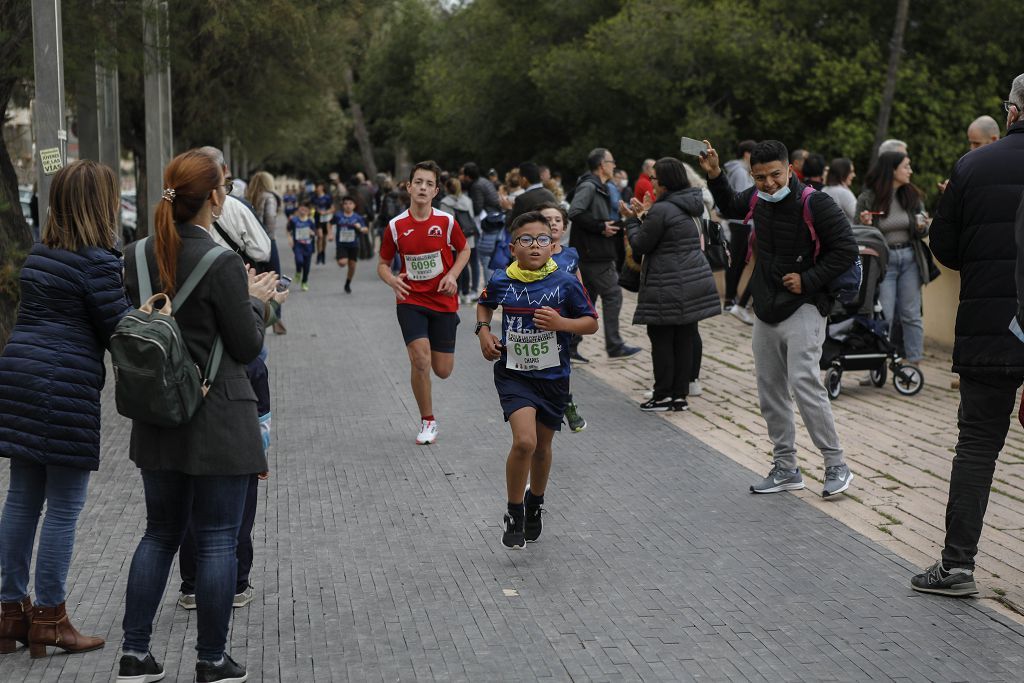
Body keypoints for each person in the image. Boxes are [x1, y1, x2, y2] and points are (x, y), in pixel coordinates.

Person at [117, 149, 277, 683]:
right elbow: (247, 346)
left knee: (159, 532)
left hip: (158, 413)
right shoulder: (221, 261)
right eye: (225, 183)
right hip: (218, 414)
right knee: (215, 539)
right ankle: (211, 660)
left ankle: (135, 655)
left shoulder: (136, 255)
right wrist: (257, 300)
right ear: (214, 196)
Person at [0, 160, 130, 658]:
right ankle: (51, 618)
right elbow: (118, 330)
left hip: (18, 376)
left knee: (21, 499)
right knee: (65, 507)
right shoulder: (97, 261)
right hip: (62, 386)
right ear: (101, 204)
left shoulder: (39, 256)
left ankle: (11, 611)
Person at [910, 75, 1024, 597]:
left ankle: (956, 568)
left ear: (1012, 112)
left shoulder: (973, 166)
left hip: (989, 327)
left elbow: (946, 248)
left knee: (977, 446)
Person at [701, 139, 858, 497]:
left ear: (790, 169)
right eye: (759, 177)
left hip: (805, 305)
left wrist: (809, 279)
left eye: (775, 175)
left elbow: (847, 250)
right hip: (766, 308)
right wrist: (714, 176)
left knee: (805, 383)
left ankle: (837, 465)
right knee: (769, 389)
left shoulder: (816, 202)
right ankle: (786, 468)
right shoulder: (758, 199)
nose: (768, 183)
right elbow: (729, 205)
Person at [476, 211, 599, 549]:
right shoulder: (502, 279)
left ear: (553, 245)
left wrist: (562, 324)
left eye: (542, 240)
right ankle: (514, 510)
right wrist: (483, 331)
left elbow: (590, 322)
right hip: (515, 376)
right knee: (525, 442)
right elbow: (484, 304)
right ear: (513, 246)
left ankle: (535, 503)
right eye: (526, 240)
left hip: (554, 377)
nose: (535, 246)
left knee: (543, 448)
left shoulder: (565, 282)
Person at [378, 161, 471, 445]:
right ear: (408, 187)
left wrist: (453, 275)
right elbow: (383, 264)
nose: (422, 187)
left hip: (443, 300)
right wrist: (393, 280)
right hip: (411, 300)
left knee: (442, 370)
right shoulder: (395, 226)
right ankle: (427, 421)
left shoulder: (446, 222)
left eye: (429, 184)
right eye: (418, 182)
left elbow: (464, 249)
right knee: (420, 360)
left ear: (435, 191)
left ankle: (432, 350)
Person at [621, 157, 720, 412]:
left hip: (667, 283)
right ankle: (679, 396)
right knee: (684, 338)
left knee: (662, 338)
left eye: (654, 178)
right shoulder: (691, 204)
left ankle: (662, 394)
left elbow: (642, 245)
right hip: (692, 280)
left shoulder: (663, 209)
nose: (651, 183)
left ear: (664, 181)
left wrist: (631, 221)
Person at [856, 151, 931, 365]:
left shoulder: (912, 196)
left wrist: (921, 226)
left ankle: (913, 364)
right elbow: (856, 232)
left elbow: (922, 231)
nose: (910, 171)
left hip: (909, 257)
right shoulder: (869, 197)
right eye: (906, 166)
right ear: (892, 170)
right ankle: (877, 364)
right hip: (883, 261)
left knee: (911, 314)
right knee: (884, 314)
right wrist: (866, 224)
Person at [568, 148, 640, 360]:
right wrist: (600, 227)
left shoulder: (600, 186)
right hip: (594, 254)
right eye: (612, 161)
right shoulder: (590, 185)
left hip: (593, 252)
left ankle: (571, 345)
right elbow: (575, 212)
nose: (614, 165)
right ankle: (614, 346)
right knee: (613, 294)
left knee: (586, 301)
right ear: (602, 165)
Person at [538, 202, 587, 432]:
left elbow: (579, 285)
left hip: (564, 323)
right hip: (537, 321)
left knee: (562, 363)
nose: (553, 224)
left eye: (557, 220)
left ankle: (566, 401)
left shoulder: (571, 255)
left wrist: (582, 314)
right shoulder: (533, 254)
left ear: (564, 227)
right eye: (548, 220)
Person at [246, 170, 287, 334]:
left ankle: (257, 314)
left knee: (258, 279)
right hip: (269, 242)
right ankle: (276, 317)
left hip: (251, 245)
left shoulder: (250, 198)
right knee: (277, 278)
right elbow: (270, 223)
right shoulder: (270, 197)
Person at [723, 140, 757, 324]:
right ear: (746, 154)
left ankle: (731, 298)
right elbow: (746, 198)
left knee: (739, 262)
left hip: (742, 223)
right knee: (736, 262)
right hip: (740, 223)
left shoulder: (740, 170)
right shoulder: (740, 171)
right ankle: (729, 300)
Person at [439, 177, 481, 305]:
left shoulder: (445, 202)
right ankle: (466, 293)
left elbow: (444, 222)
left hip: (452, 238)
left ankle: (455, 294)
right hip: (468, 237)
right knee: (465, 266)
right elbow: (472, 216)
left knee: (454, 267)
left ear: (446, 188)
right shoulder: (467, 200)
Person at [462, 162, 502, 281]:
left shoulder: (476, 186)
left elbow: (477, 207)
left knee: (485, 257)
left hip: (487, 223)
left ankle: (488, 288)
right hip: (495, 218)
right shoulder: (484, 181)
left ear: (468, 176)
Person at [333, 196, 369, 293]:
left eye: (350, 203)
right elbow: (329, 223)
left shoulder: (358, 217)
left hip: (353, 245)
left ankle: (347, 283)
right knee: (342, 263)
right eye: (346, 204)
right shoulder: (338, 216)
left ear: (354, 205)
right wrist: (329, 234)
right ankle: (340, 257)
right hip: (341, 244)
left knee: (352, 266)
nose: (348, 206)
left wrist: (360, 228)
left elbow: (366, 229)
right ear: (343, 205)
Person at [288, 202, 316, 291]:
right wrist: (290, 239)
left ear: (308, 211)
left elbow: (314, 232)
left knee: (307, 266)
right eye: (301, 208)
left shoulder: (311, 221)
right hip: (298, 245)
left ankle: (304, 282)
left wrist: (312, 233)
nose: (303, 210)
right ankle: (298, 272)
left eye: (305, 209)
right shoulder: (294, 220)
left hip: (308, 246)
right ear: (298, 209)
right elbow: (288, 230)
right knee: (299, 260)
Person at [821, 158, 857, 222]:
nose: (854, 175)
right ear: (842, 172)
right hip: (847, 231)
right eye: (851, 172)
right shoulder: (844, 193)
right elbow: (857, 216)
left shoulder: (824, 190)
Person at [312, 183, 333, 265]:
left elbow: (332, 208)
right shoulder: (314, 197)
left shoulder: (327, 197)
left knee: (324, 238)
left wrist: (325, 212)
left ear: (322, 187)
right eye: (316, 187)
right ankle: (319, 254)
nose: (318, 188)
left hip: (326, 219)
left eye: (319, 186)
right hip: (317, 219)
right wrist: (314, 210)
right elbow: (311, 207)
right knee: (319, 236)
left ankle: (323, 253)